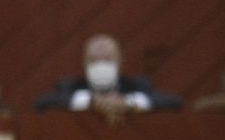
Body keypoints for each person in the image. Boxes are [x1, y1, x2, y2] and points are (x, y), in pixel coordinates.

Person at [34, 34, 182, 123]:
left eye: (107, 59)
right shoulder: (68, 87)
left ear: (119, 62)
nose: (101, 64)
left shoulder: (137, 85)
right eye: (94, 60)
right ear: (84, 63)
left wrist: (127, 103)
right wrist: (92, 102)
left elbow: (174, 102)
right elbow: (42, 103)